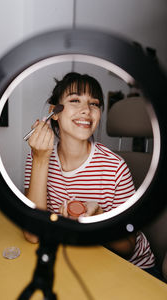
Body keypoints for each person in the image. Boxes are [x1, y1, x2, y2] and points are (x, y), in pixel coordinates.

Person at [24, 72, 158, 275]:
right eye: (75, 100)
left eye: (94, 104)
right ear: (55, 112)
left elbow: (128, 247)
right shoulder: (37, 156)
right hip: (82, 262)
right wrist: (40, 160)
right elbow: (33, 235)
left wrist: (99, 218)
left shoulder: (115, 168)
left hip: (133, 270)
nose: (86, 110)